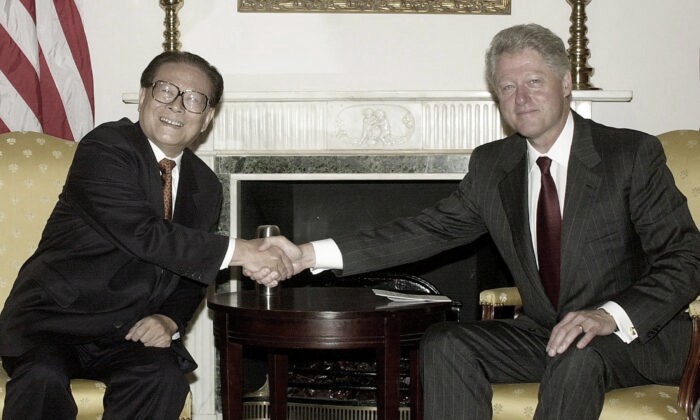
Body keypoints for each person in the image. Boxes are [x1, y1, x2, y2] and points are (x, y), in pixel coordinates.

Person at [267, 24, 700, 419]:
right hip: (545, 334)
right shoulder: (494, 165)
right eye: (507, 87)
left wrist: (608, 315)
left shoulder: (629, 155)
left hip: (632, 339)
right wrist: (308, 254)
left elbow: (687, 256)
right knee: (445, 343)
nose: (521, 98)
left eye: (533, 82)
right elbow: (426, 229)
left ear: (566, 83)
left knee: (578, 354)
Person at [0, 51, 298, 420]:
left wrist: (169, 320)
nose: (177, 105)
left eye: (194, 99)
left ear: (206, 118)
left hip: (126, 331)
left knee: (164, 379)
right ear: (143, 97)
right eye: (166, 91)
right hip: (51, 321)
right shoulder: (106, 147)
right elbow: (142, 233)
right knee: (42, 378)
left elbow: (192, 272)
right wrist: (244, 251)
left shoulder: (205, 185)